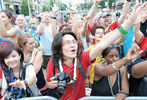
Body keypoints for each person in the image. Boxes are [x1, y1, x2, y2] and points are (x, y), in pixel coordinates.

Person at [45, 2, 146, 99]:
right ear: (59, 47)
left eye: (74, 42)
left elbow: (104, 43)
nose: (72, 45)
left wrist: (129, 21)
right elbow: (48, 83)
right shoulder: (53, 62)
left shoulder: (83, 58)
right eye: (67, 43)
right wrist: (50, 85)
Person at [37, 5, 58, 69]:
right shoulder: (40, 26)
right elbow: (41, 31)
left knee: (56, 69)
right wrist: (42, 20)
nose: (47, 18)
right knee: (47, 69)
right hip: (45, 53)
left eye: (48, 16)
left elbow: (56, 36)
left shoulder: (54, 26)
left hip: (54, 51)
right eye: (45, 16)